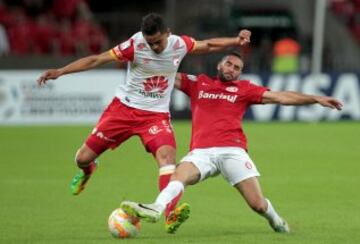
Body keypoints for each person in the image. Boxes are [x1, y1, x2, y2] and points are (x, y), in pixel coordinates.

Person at [36, 13, 251, 233]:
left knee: (167, 159)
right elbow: (97, 59)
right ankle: (88, 169)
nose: (154, 47)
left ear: (167, 33)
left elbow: (209, 45)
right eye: (150, 43)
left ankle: (170, 214)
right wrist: (61, 71)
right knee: (82, 158)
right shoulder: (135, 44)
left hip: (155, 116)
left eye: (158, 42)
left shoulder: (179, 43)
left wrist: (236, 41)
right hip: (123, 110)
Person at [120, 52, 343, 233]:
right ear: (220, 65)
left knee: (258, 205)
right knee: (179, 174)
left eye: (237, 68)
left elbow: (281, 97)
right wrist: (137, 56)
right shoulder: (200, 84)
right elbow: (168, 74)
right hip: (201, 153)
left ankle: (276, 221)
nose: (232, 69)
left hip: (232, 151)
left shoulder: (244, 89)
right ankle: (157, 208)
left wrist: (316, 98)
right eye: (229, 64)